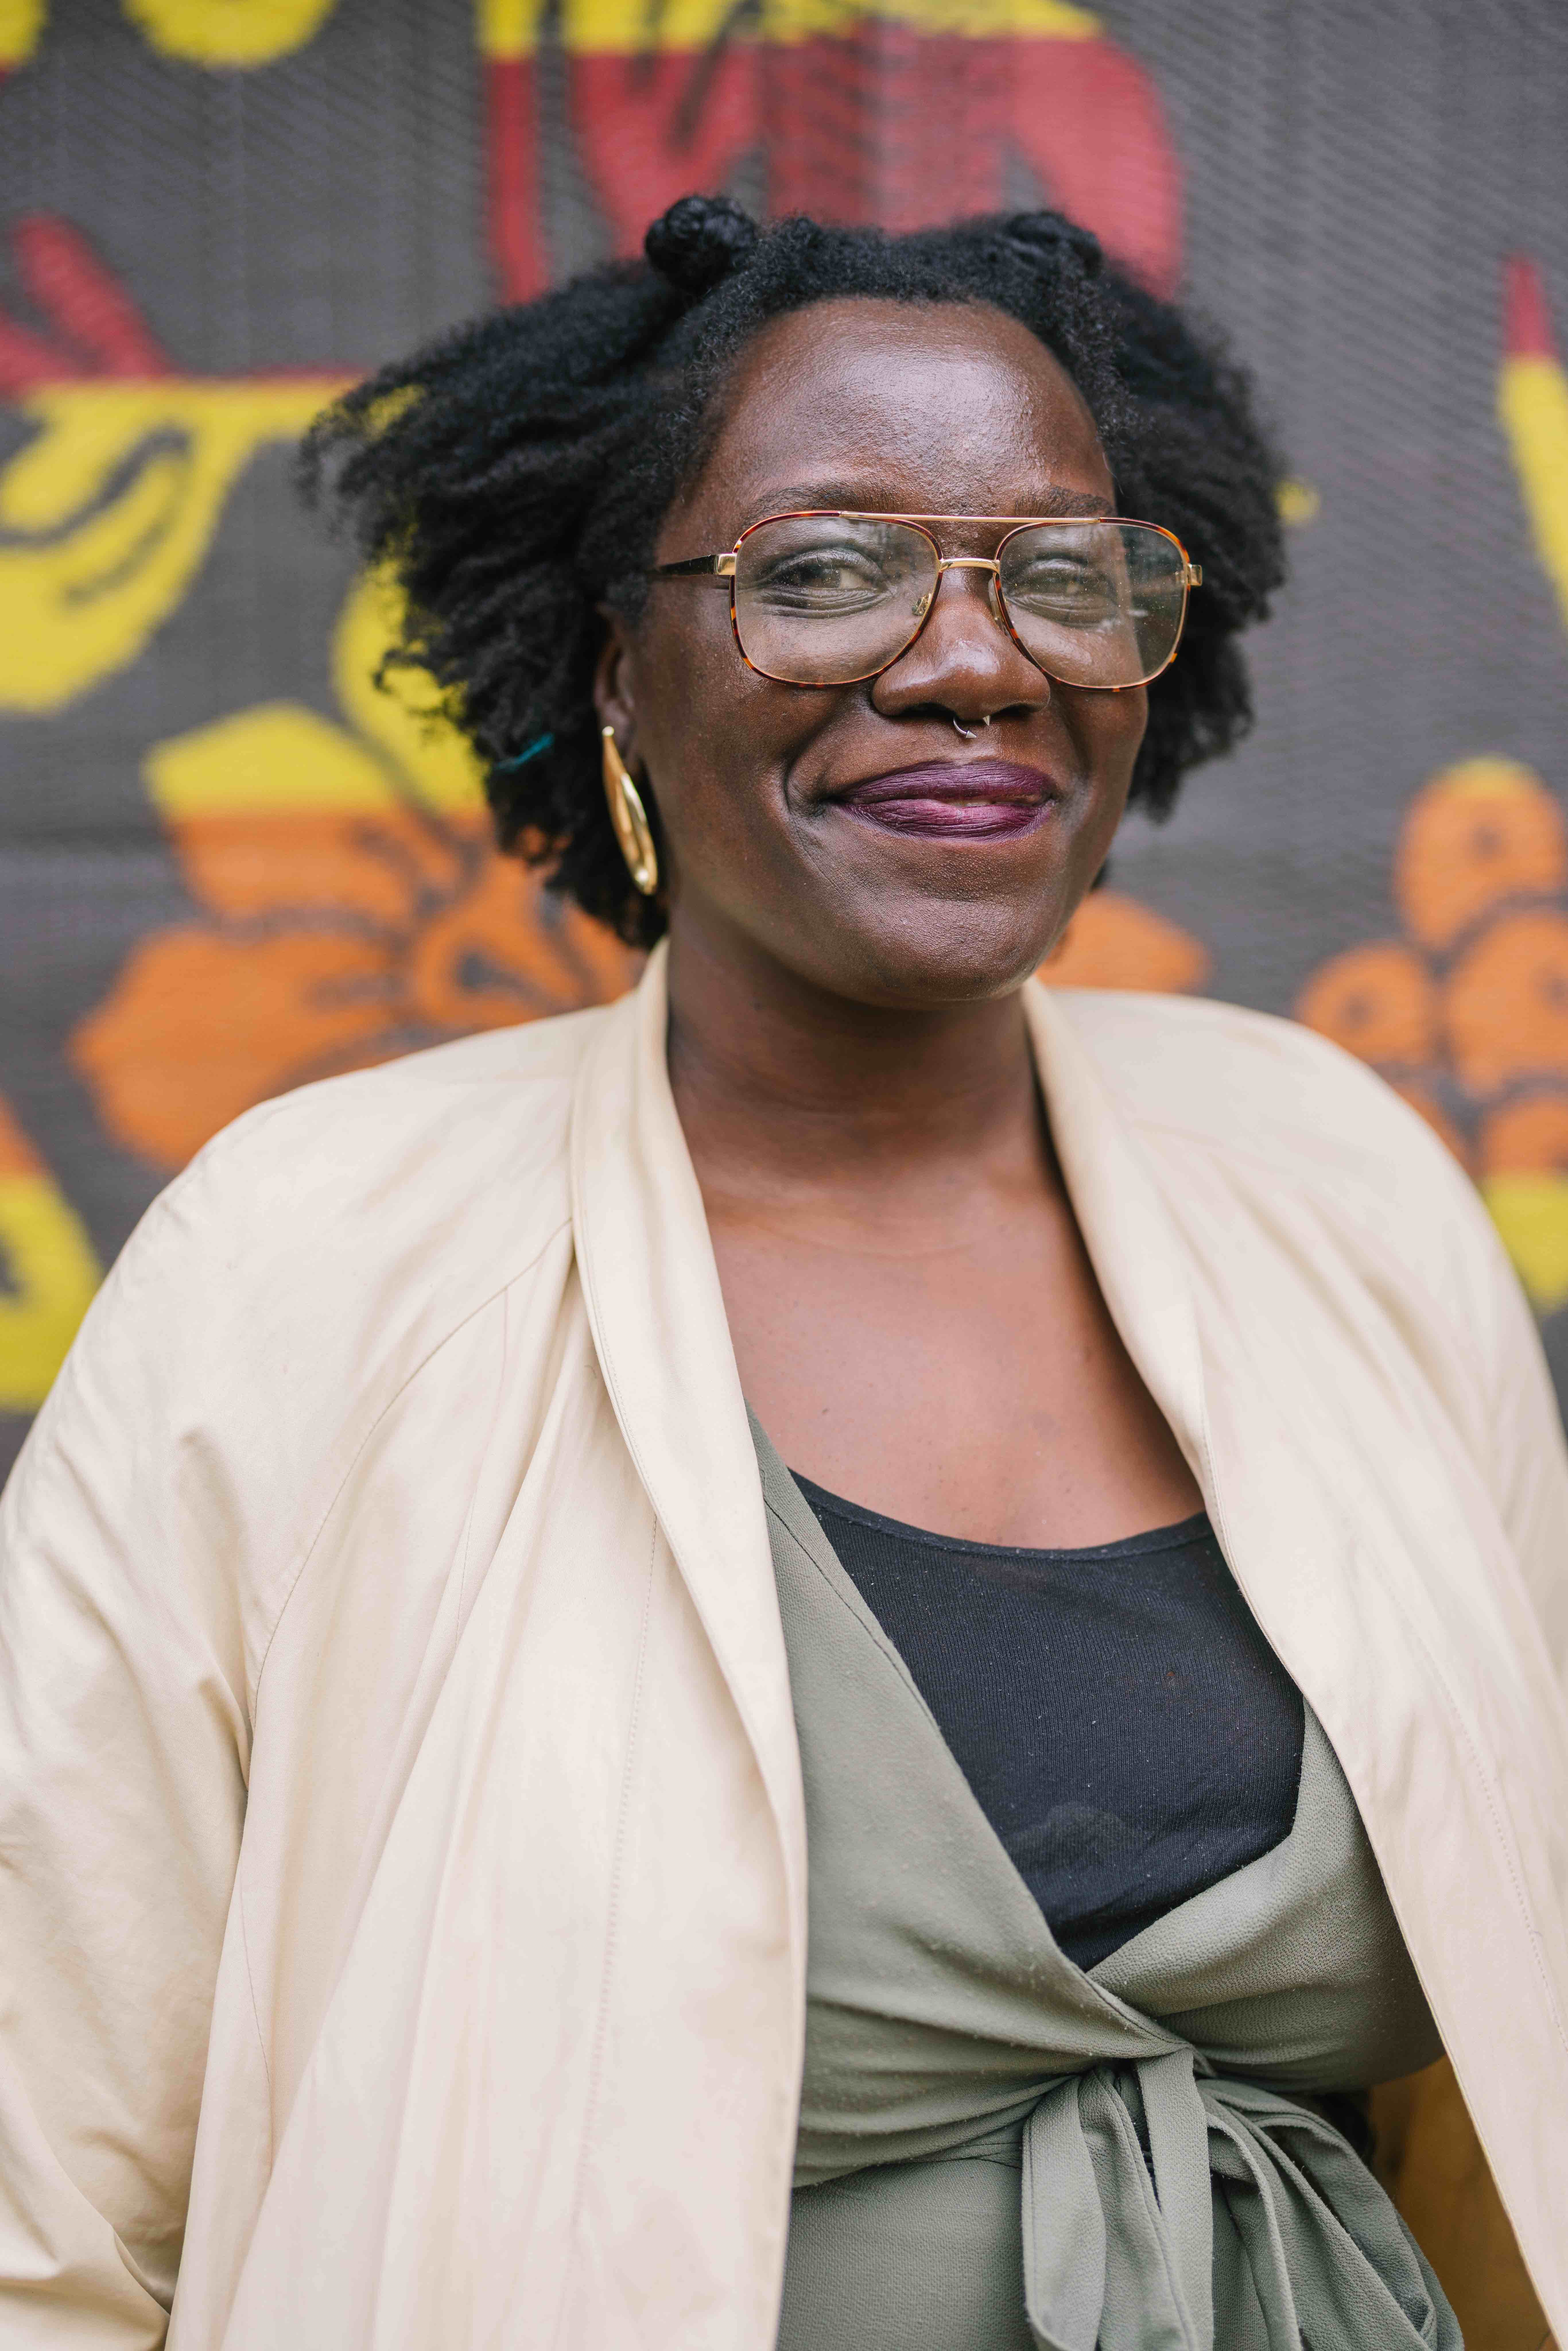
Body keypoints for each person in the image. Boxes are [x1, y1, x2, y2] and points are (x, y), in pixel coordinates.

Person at [0, 192, 1563, 2350]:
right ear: (609, 669)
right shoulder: (308, 1264)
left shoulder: (1341, 1193)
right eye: (820, 573)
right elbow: (38, 2204)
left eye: (1058, 577)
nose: (972, 658)